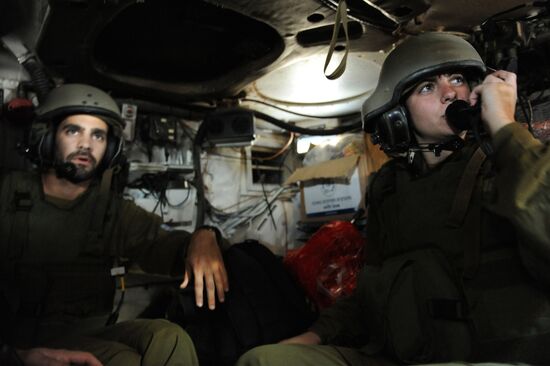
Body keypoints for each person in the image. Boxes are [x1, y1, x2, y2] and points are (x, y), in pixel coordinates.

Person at [236, 32, 550, 366]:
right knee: (263, 361)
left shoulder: (509, 161)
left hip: (496, 358)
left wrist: (504, 125)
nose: (450, 93)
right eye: (427, 87)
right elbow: (374, 293)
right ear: (397, 117)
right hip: (406, 355)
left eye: (457, 79)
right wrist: (313, 337)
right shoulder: (389, 187)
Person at [0, 83, 229, 365]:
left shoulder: (111, 211)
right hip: (16, 338)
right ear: (47, 138)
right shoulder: (8, 193)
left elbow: (162, 246)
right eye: (73, 130)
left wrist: (204, 237)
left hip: (88, 331)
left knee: (169, 337)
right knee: (124, 361)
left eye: (98, 135)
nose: (86, 144)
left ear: (109, 149)